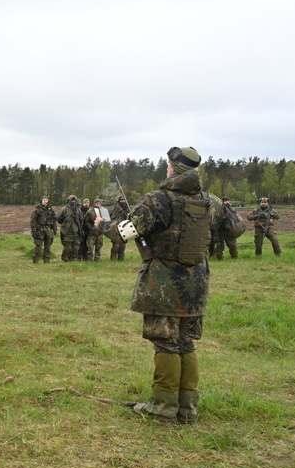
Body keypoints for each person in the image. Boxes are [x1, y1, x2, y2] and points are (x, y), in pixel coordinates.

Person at [96, 146, 227, 424]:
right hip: (196, 285)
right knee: (186, 343)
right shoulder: (211, 201)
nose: (166, 168)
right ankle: (187, 407)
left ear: (173, 168)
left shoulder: (158, 200)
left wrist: (101, 225)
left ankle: (163, 405)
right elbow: (234, 228)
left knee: (166, 343)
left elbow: (124, 232)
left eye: (168, 164)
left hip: (163, 283)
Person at [30, 196, 57, 263]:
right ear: (41, 201)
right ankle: (35, 260)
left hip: (48, 230)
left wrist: (54, 229)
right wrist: (33, 230)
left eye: (46, 200)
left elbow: (54, 220)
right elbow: (33, 221)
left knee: (48, 246)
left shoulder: (50, 210)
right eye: (44, 200)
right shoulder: (37, 210)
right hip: (40, 230)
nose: (45, 201)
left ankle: (46, 260)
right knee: (38, 246)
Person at [57, 195, 83, 262]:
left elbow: (81, 219)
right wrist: (65, 224)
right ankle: (65, 259)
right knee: (67, 247)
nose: (73, 202)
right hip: (67, 231)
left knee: (76, 247)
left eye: (74, 200)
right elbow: (59, 219)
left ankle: (74, 259)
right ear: (68, 201)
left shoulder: (78, 210)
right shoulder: (64, 209)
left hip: (76, 231)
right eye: (72, 200)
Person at [109, 196, 130, 261]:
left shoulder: (127, 209)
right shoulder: (115, 209)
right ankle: (113, 259)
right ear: (118, 201)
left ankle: (121, 259)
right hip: (116, 229)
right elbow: (111, 218)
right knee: (116, 245)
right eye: (121, 200)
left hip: (125, 228)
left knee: (122, 245)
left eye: (124, 200)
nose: (123, 201)